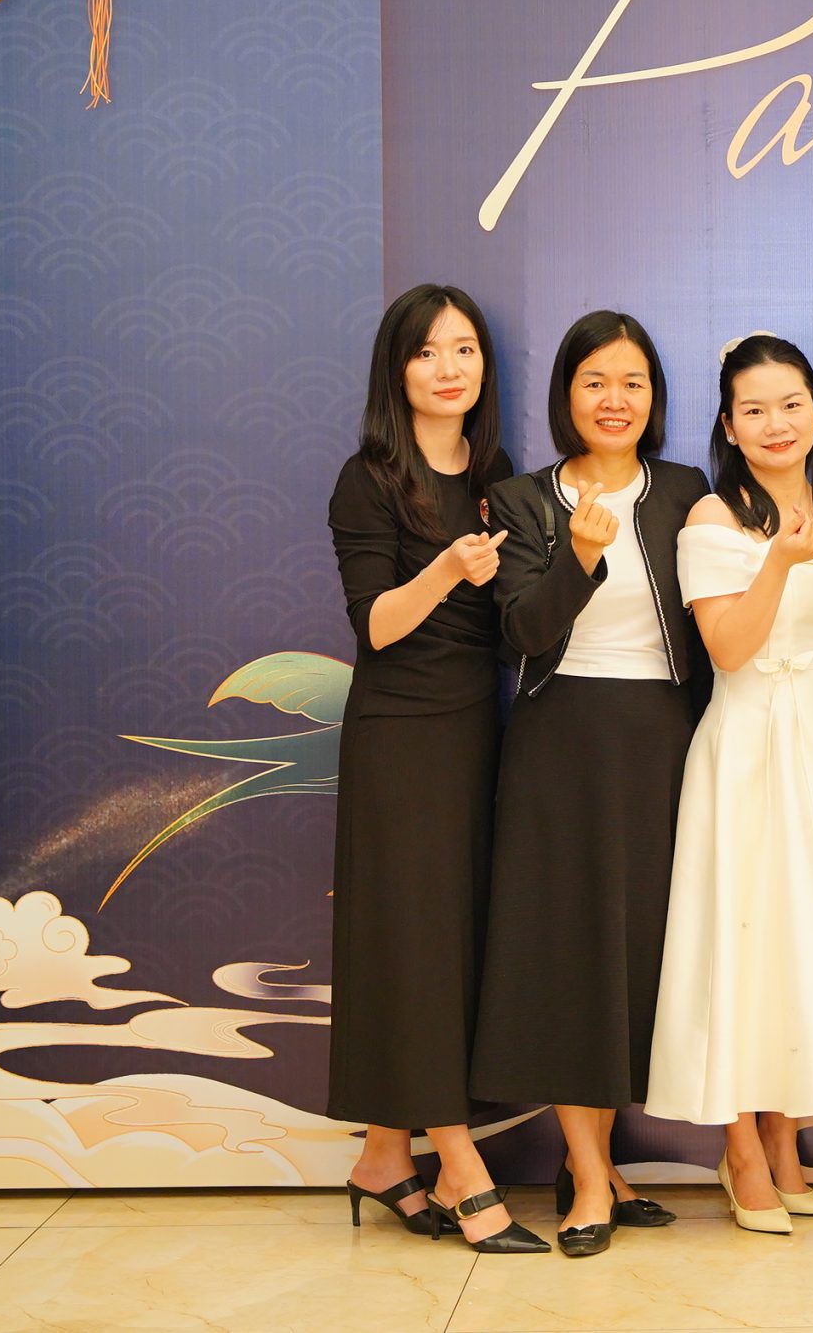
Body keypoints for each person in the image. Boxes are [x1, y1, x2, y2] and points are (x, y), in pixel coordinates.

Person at [469, 312, 710, 1257]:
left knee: (637, 952)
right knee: (572, 956)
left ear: (655, 397)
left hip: (663, 738)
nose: (616, 400)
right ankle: (590, 1178)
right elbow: (521, 635)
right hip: (559, 741)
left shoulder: (685, 491)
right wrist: (577, 554)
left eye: (633, 383)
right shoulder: (520, 499)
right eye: (596, 382)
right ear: (566, 394)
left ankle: (599, 1164)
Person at [325, 285, 543, 1253]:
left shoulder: (496, 475)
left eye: (464, 349)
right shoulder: (369, 479)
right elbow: (375, 625)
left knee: (444, 946)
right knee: (416, 942)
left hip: (475, 731)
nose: (449, 368)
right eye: (426, 352)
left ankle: (384, 1155)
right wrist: (448, 569)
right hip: (400, 735)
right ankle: (460, 1164)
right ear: (397, 369)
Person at [647, 333, 813, 1235]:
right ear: (730, 426)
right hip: (744, 744)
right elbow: (730, 650)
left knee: (807, 945)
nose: (775, 424)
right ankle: (739, 1148)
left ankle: (786, 1146)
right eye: (754, 410)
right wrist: (778, 558)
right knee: (738, 943)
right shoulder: (711, 519)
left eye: (790, 405)